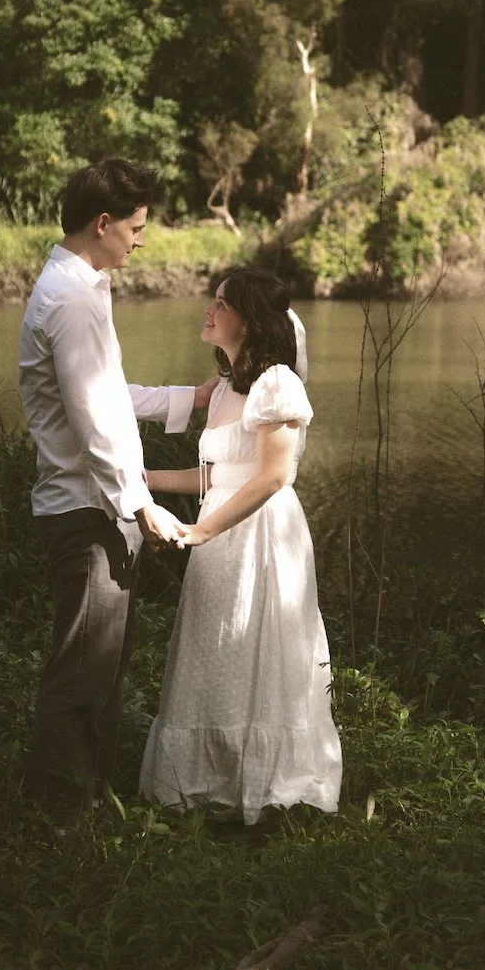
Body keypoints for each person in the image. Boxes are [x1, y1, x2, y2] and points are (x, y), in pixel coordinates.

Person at [19, 158, 219, 817]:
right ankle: (60, 825)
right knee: (82, 677)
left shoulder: (80, 288)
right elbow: (92, 422)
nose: (141, 240)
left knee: (99, 674)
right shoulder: (71, 298)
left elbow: (107, 395)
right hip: (89, 513)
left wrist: (187, 398)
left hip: (96, 509)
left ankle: (88, 808)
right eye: (135, 228)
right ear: (102, 224)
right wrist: (141, 506)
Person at [140, 268, 342, 824]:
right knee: (216, 649)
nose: (209, 308)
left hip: (261, 535)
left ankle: (272, 786)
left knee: (258, 650)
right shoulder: (228, 386)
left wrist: (202, 531)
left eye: (221, 302)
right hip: (220, 531)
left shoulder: (277, 383)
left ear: (249, 320)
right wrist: (142, 480)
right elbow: (214, 478)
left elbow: (272, 477)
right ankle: (212, 784)